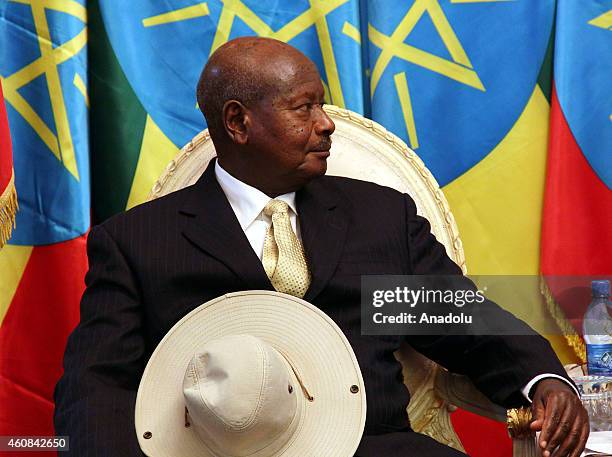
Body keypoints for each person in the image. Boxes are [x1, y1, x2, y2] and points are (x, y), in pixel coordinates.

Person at [54, 37, 589, 456]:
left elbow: (463, 321)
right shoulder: (138, 242)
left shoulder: (380, 219)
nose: (326, 124)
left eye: (322, 106)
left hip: (372, 447)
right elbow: (95, 387)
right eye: (303, 108)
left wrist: (543, 381)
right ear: (238, 122)